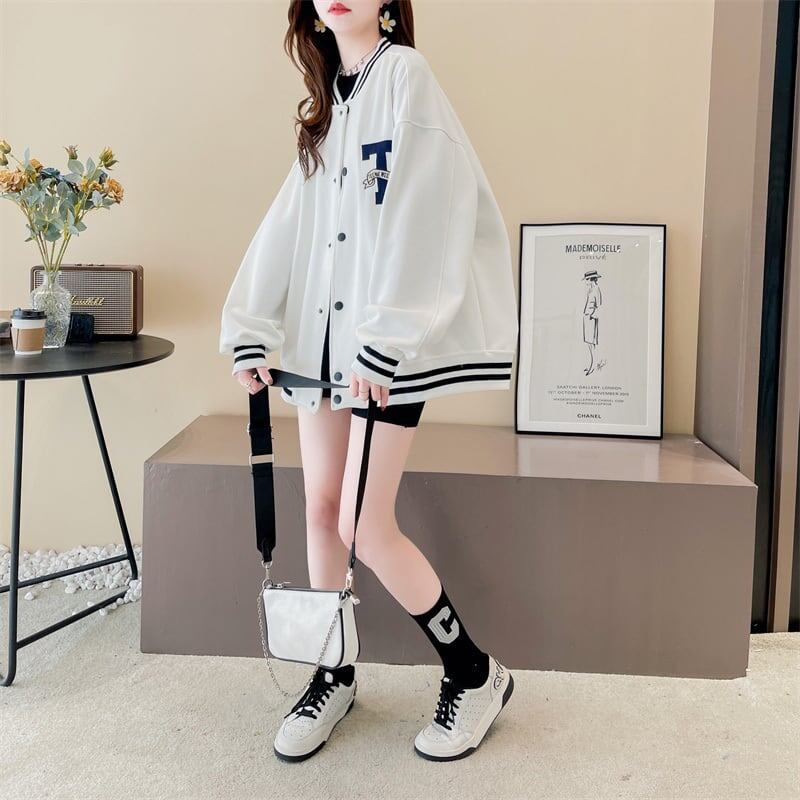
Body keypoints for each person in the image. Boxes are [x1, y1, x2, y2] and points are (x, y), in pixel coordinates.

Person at [219, 0, 519, 763]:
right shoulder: (330, 107)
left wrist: (387, 339)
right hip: (322, 346)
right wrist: (251, 327)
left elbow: (429, 212)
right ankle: (334, 671)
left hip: (385, 352)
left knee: (363, 523)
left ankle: (474, 672)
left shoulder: (406, 78)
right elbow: (288, 224)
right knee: (323, 511)